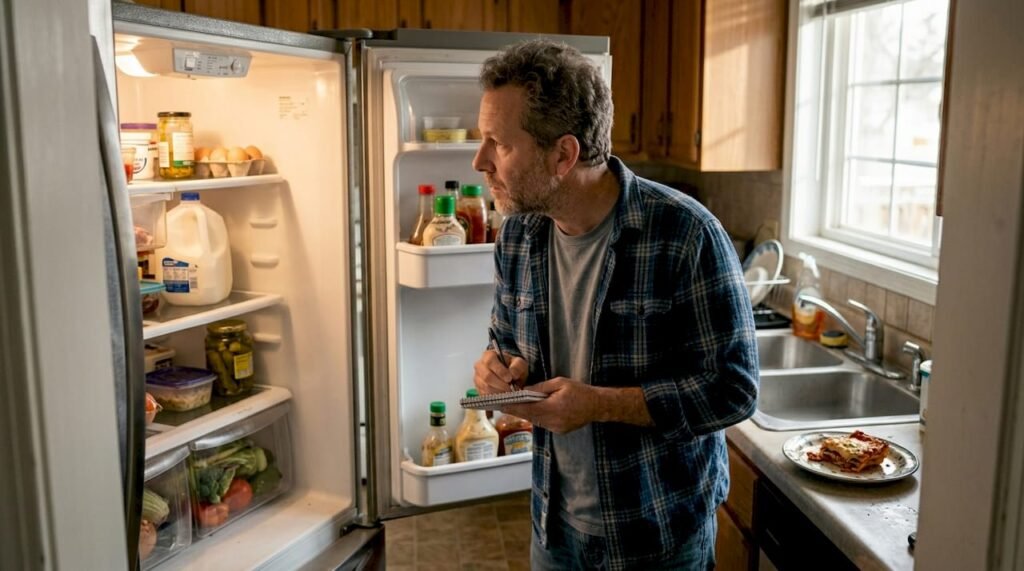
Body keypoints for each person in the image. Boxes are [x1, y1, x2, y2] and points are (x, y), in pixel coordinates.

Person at [471, 39, 759, 570]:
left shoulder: (686, 234)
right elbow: (506, 341)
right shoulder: (517, 237)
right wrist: (496, 370)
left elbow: (734, 391)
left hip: (658, 533)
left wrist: (600, 404)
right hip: (553, 527)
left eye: (498, 144)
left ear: (563, 154)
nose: (480, 161)